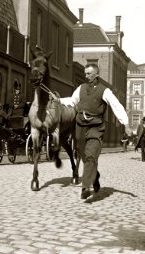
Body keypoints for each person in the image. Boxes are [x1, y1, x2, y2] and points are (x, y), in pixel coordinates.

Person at [52, 63, 131, 200]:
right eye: (85, 73)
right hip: (80, 127)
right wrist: (58, 100)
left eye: (88, 73)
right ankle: (95, 176)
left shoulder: (105, 91)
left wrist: (126, 124)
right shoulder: (81, 88)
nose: (86, 76)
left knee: (90, 156)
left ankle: (85, 187)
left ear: (96, 74)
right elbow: (72, 101)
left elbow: (116, 106)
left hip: (96, 127)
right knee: (84, 155)